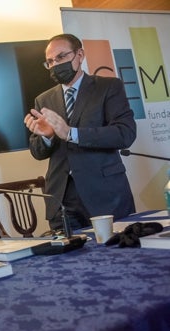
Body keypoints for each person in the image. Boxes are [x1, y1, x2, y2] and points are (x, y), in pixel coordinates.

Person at [23, 33, 136, 231]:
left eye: (61, 57)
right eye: (49, 61)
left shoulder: (108, 87)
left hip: (105, 194)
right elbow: (37, 152)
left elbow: (124, 133)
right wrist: (47, 137)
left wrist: (71, 133)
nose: (55, 65)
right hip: (62, 199)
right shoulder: (43, 100)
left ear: (80, 55)